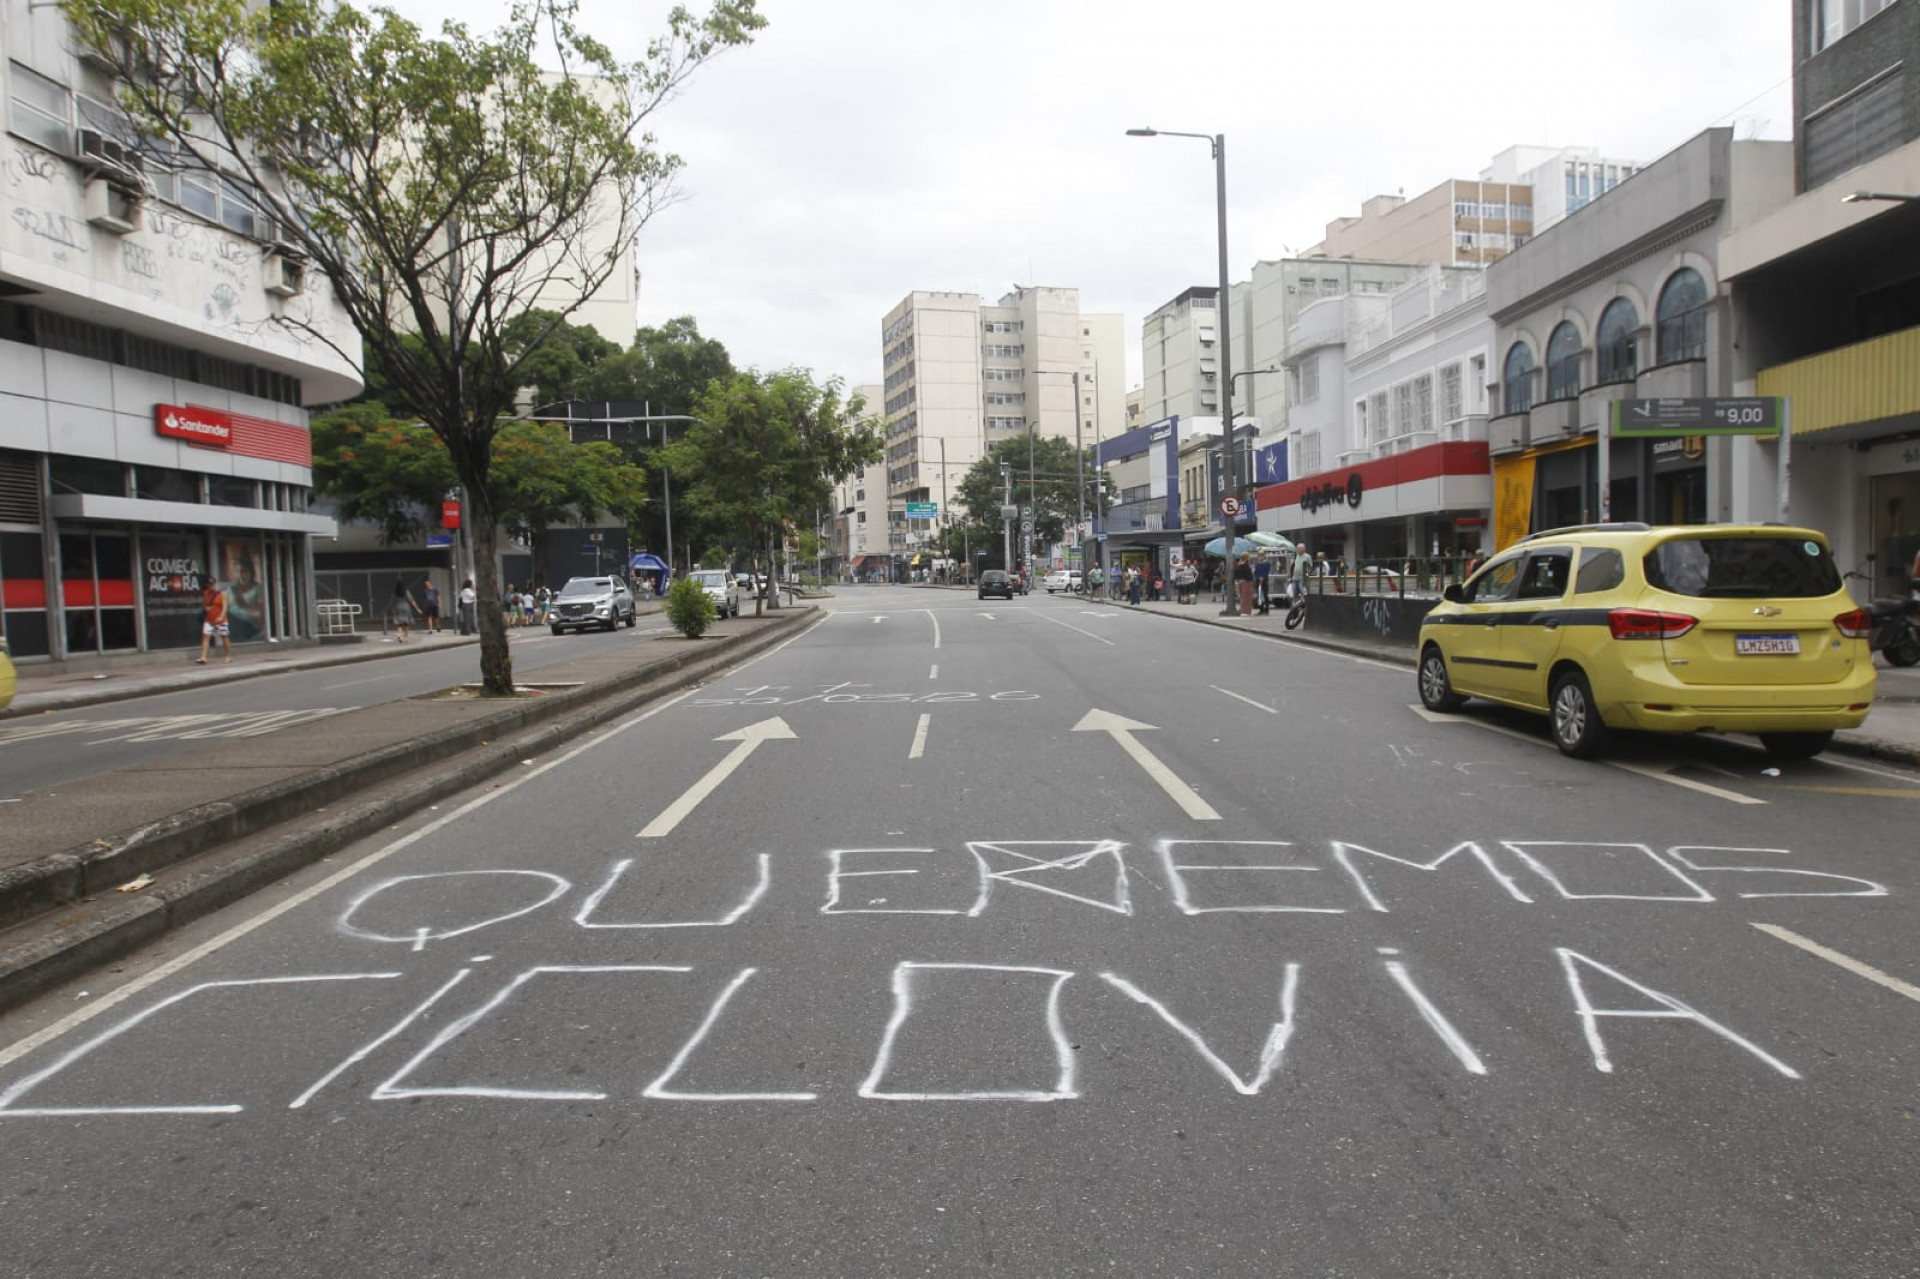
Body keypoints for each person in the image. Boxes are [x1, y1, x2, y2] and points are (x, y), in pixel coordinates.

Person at [196, 581, 231, 664]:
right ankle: (203, 657)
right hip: (209, 619)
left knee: (224, 636)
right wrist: (206, 608)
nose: (212, 586)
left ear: (215, 585)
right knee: (206, 636)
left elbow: (225, 607)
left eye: (213, 584)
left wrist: (221, 616)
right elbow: (204, 605)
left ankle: (228, 656)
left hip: (220, 620)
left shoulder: (222, 594)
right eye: (210, 584)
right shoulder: (206, 593)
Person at [390, 576, 418, 642]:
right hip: (406, 608)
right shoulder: (406, 592)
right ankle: (406, 638)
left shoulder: (395, 593)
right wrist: (417, 608)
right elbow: (412, 601)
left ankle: (399, 635)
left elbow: (392, 602)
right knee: (406, 624)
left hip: (398, 608)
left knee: (399, 624)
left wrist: (392, 609)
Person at [1253, 550, 1273, 615]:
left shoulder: (1267, 564)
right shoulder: (1257, 564)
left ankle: (1266, 610)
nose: (1260, 556)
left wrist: (1262, 578)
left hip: (1264, 580)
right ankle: (1261, 609)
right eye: (1259, 555)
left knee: (1265, 595)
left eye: (1261, 554)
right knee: (1259, 595)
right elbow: (1255, 572)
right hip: (1258, 580)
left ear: (1264, 556)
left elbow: (1266, 572)